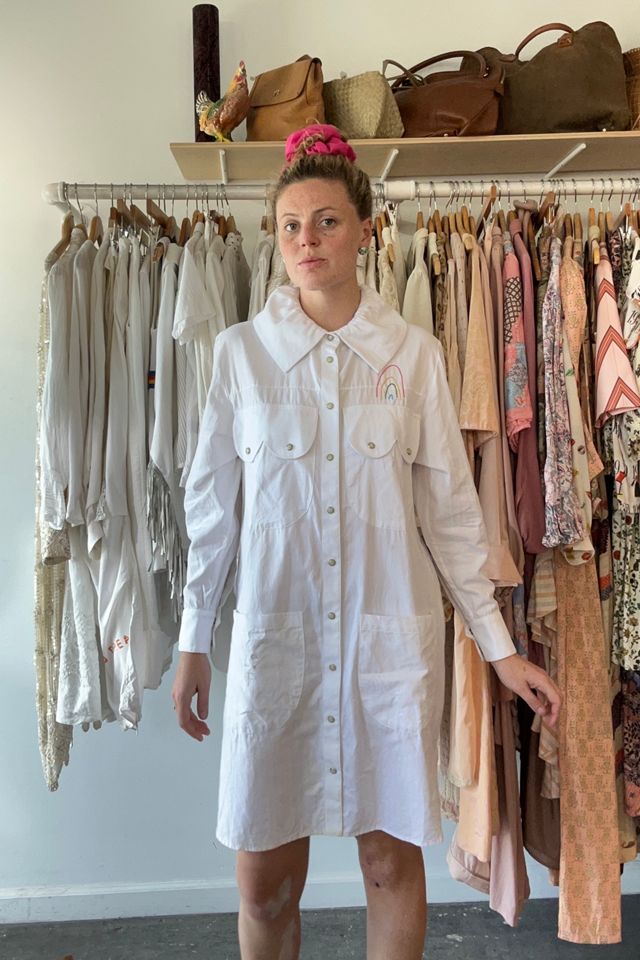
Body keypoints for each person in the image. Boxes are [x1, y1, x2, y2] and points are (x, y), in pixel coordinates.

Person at [172, 124, 561, 960]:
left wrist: (500, 650)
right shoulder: (241, 358)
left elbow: (451, 513)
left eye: (326, 221)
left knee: (389, 864)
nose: (306, 240)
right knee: (264, 884)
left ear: (365, 228)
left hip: (385, 653)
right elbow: (211, 509)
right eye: (290, 225)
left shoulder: (414, 358)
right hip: (279, 651)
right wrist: (193, 640)